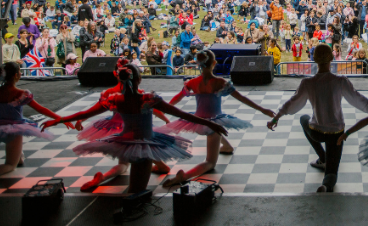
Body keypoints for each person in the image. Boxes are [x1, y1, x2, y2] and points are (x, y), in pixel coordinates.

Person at [42, 64, 228, 193]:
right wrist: (210, 123)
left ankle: (111, 182)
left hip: (123, 142)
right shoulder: (147, 98)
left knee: (129, 178)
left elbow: (84, 113)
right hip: (144, 144)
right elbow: (182, 114)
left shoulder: (114, 99)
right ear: (139, 79)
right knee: (136, 191)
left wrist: (58, 120)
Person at [268, 44, 368, 193]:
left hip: (316, 132)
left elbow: (292, 103)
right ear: (332, 58)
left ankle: (322, 157)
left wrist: (276, 117)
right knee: (331, 173)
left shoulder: (307, 83)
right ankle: (326, 185)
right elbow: (357, 99)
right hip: (336, 134)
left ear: (314, 59)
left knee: (304, 119)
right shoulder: (340, 81)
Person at [161, 50, 275, 187]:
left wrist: (163, 107)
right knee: (210, 162)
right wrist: (262, 110)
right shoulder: (219, 82)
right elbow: (242, 98)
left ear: (198, 63)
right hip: (213, 124)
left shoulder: (192, 82)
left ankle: (227, 146)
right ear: (214, 63)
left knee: (217, 134)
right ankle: (183, 176)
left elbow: (177, 99)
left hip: (197, 120)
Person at [0, 62, 74, 175]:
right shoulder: (20, 93)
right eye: (20, 71)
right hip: (14, 129)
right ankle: (14, 159)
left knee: (18, 158)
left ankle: (18, 156)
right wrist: (61, 119)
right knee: (10, 165)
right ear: (16, 75)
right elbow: (41, 109)